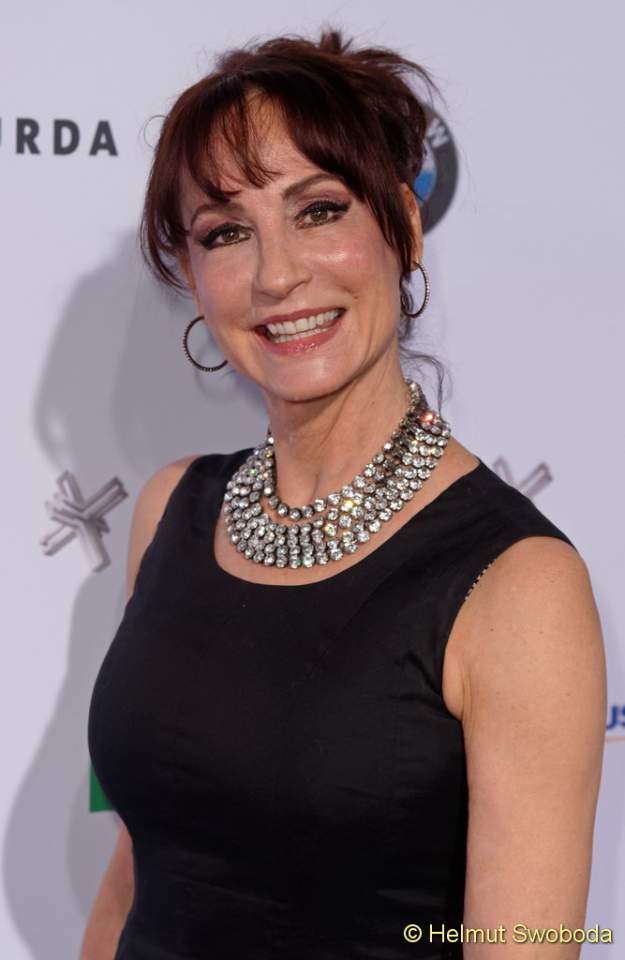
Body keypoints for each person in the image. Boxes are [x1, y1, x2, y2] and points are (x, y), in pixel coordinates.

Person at [82, 27, 606, 960]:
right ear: (193, 276)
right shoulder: (172, 509)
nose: (276, 274)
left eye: (318, 210)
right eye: (226, 232)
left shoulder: (517, 586)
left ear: (403, 225)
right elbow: (136, 875)